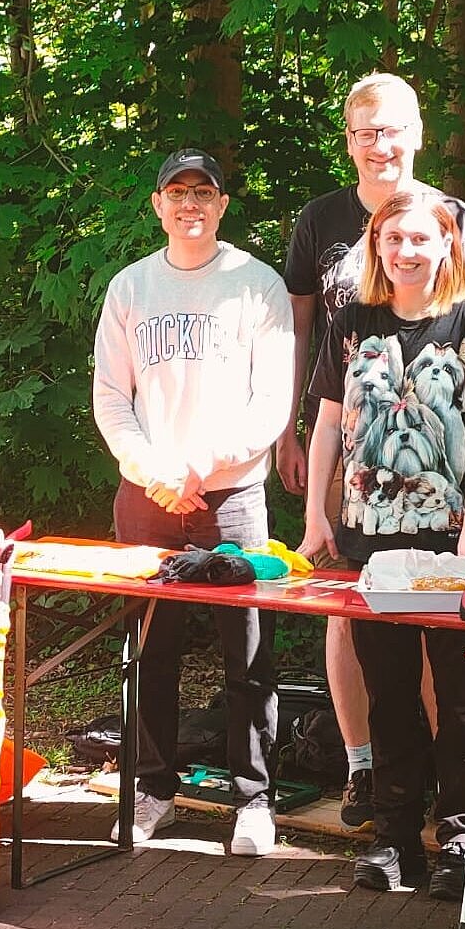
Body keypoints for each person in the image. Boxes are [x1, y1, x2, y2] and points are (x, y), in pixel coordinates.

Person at [281, 74, 465, 831]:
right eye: (364, 131)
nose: (379, 145)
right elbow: (300, 335)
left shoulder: (454, 217)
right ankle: (366, 770)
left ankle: (451, 787)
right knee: (351, 617)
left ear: (416, 134)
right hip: (350, 465)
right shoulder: (320, 220)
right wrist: (290, 426)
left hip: (440, 479)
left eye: (392, 130)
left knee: (441, 624)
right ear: (349, 138)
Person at [299, 187, 465, 899]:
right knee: (389, 696)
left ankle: (461, 838)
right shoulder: (353, 321)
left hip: (452, 549)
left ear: (447, 246)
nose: (406, 252)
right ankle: (395, 842)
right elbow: (330, 425)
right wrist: (316, 516)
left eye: (421, 239)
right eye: (393, 240)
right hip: (369, 549)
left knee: (460, 701)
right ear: (377, 248)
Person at [91, 148, 295, 857]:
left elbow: (272, 401)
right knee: (152, 650)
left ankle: (253, 800)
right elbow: (112, 398)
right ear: (157, 205)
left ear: (222, 205)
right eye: (176, 192)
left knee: (249, 653)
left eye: (203, 193)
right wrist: (150, 467)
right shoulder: (129, 288)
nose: (190, 204)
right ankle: (152, 789)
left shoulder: (257, 284)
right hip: (148, 497)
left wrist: (201, 464)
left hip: (233, 494)